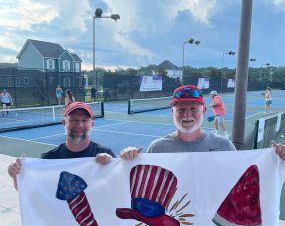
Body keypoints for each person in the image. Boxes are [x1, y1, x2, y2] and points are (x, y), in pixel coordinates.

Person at [120, 84, 285, 161]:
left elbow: (243, 176)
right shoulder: (157, 148)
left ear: (203, 111)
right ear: (172, 112)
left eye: (193, 109)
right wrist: (127, 159)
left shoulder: (224, 146)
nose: (187, 115)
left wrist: (276, 158)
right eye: (180, 110)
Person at [8, 102, 115, 189]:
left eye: (84, 120)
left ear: (91, 125)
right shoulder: (49, 159)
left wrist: (118, 163)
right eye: (74, 120)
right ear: (64, 123)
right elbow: (33, 194)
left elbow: (119, 188)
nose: (79, 125)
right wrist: (16, 177)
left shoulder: (106, 155)